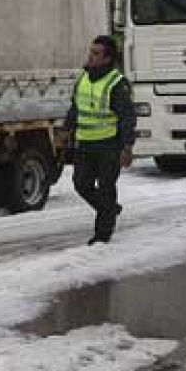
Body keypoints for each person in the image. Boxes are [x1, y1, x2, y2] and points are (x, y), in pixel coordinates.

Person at [65, 35, 136, 245]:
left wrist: (127, 147)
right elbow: (76, 108)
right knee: (81, 184)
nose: (91, 56)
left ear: (107, 59)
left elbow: (127, 117)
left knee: (106, 189)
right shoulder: (83, 80)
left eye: (96, 53)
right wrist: (67, 128)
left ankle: (102, 235)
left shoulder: (117, 84)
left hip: (108, 147)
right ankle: (110, 210)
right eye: (91, 51)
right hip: (85, 145)